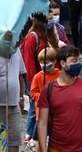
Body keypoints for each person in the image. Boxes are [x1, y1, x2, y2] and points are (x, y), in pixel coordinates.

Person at [37, 45, 82, 152]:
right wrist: (43, 149)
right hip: (57, 148)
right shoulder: (48, 89)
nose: (78, 63)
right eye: (74, 60)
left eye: (79, 60)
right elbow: (42, 122)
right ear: (63, 64)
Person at [0, 46, 26, 152]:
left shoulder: (17, 51)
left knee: (14, 141)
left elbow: (20, 76)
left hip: (14, 104)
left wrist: (21, 98)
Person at [21, 13, 47, 148]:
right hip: (35, 79)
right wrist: (32, 83)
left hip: (44, 78)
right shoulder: (32, 37)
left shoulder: (46, 35)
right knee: (33, 108)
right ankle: (29, 137)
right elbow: (28, 63)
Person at [30, 48, 61, 152]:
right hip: (42, 115)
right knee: (40, 140)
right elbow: (33, 93)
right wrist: (43, 97)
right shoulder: (37, 76)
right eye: (41, 62)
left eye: (46, 62)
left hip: (57, 115)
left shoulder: (60, 75)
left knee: (56, 141)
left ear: (54, 61)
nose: (43, 64)